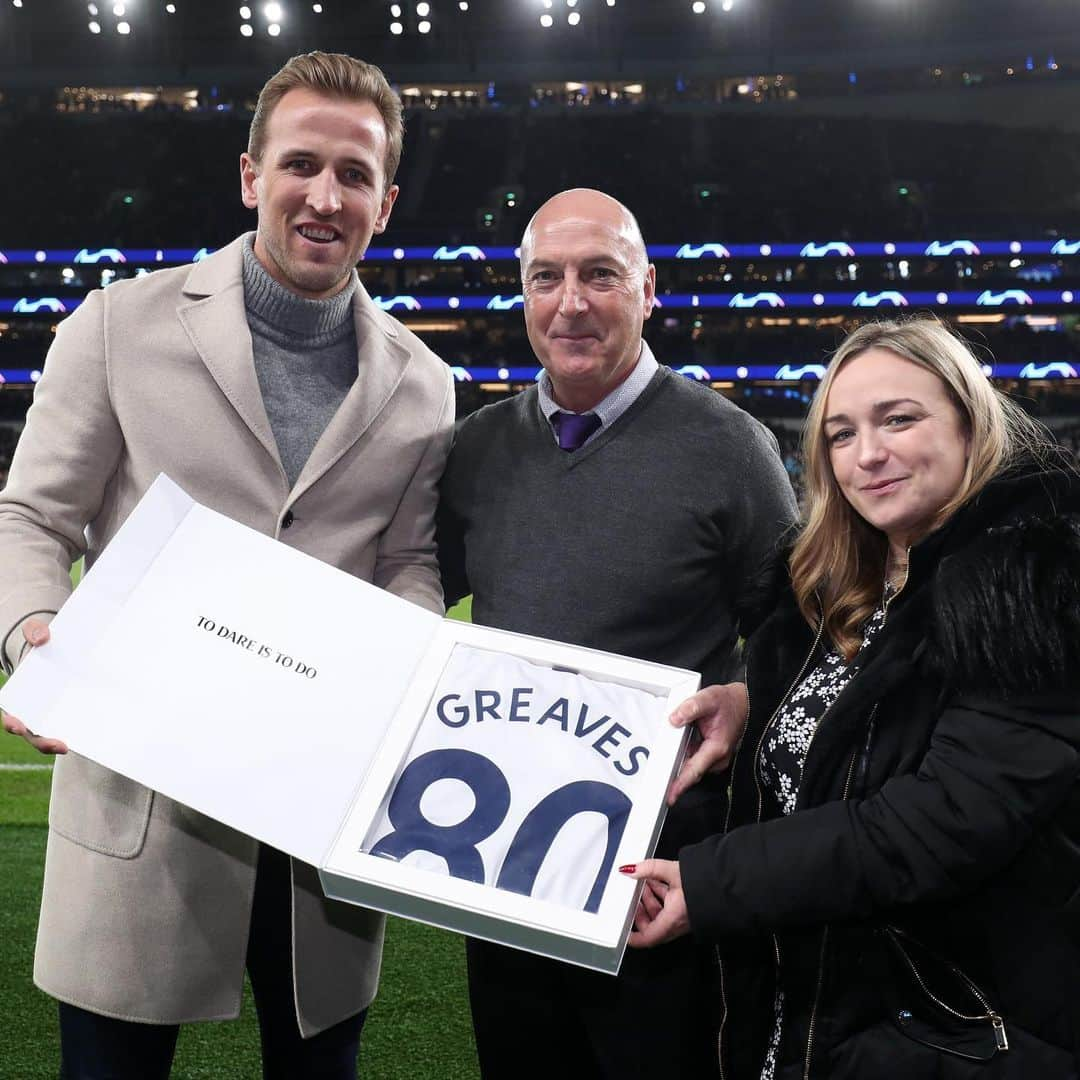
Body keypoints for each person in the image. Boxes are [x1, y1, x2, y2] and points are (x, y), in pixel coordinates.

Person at [0, 52, 454, 1080]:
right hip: (140, 810)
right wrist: (35, 634)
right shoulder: (117, 325)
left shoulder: (425, 383)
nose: (324, 195)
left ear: (387, 198)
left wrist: (408, 651)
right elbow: (31, 517)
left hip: (318, 825)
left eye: (354, 174)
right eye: (301, 164)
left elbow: (411, 562)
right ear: (251, 174)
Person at [625, 317, 1080, 1079]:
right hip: (806, 1019)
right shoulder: (823, 595)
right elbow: (810, 788)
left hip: (958, 1027)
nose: (866, 455)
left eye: (898, 419)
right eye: (840, 434)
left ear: (971, 422)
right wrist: (755, 705)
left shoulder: (1033, 588)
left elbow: (940, 825)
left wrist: (710, 883)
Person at [436, 188, 798, 1078]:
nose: (572, 301)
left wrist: (751, 694)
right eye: (545, 277)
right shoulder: (476, 448)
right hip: (508, 861)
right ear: (522, 296)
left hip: (659, 867)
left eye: (600, 274)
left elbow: (801, 637)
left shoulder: (730, 448)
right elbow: (405, 598)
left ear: (646, 289)